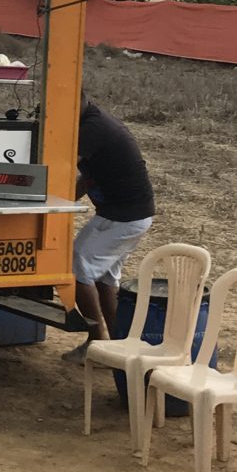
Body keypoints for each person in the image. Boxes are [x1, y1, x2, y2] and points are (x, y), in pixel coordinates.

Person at [64, 95, 156, 361]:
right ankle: (117, 348)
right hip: (126, 213)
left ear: (77, 101)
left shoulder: (93, 128)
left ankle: (96, 344)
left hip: (126, 216)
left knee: (77, 265)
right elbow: (87, 179)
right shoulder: (93, 123)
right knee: (104, 279)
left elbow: (58, 160)